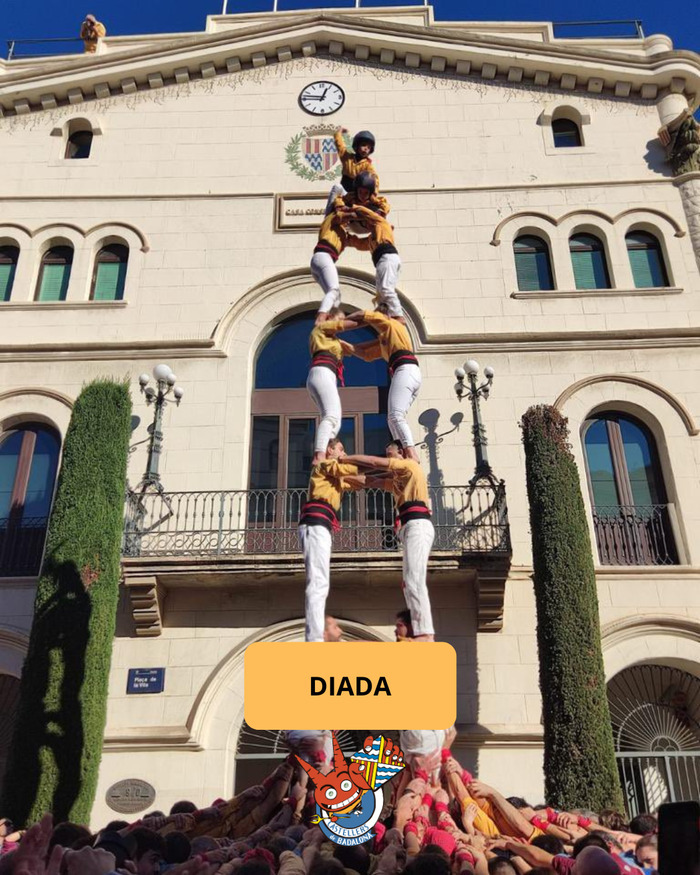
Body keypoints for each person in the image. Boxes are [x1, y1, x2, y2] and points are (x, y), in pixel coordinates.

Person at [342, 440, 434, 638]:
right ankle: (416, 628)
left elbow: (374, 463)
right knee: (407, 583)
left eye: (389, 455)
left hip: (417, 525)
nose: (387, 459)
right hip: (409, 528)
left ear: (401, 452)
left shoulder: (410, 466)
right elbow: (370, 481)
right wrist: (338, 476)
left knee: (414, 579)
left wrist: (344, 459)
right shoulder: (398, 481)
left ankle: (425, 633)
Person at [298, 438, 364, 641]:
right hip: (316, 522)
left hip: (322, 524)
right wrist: (359, 461)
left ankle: (316, 635)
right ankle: (315, 637)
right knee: (318, 582)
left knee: (321, 581)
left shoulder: (335, 476)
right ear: (329, 450)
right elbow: (347, 470)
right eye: (341, 449)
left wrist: (389, 472)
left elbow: (359, 481)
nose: (344, 453)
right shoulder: (324, 465)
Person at [349, 307, 420, 459]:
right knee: (392, 418)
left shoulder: (392, 324)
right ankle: (401, 452)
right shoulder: (387, 339)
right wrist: (341, 344)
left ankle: (411, 453)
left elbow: (363, 314)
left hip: (405, 369)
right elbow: (364, 353)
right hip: (407, 372)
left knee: (395, 416)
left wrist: (338, 324)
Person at [306, 309, 359, 465]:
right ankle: (319, 455)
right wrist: (373, 319)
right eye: (339, 319)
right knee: (331, 417)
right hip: (322, 372)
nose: (341, 323)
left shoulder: (334, 341)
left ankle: (329, 452)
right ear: (329, 318)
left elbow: (359, 351)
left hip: (324, 374)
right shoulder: (321, 328)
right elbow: (348, 325)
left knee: (335, 420)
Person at [344, 206, 403, 319]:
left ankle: (398, 315)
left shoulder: (381, 224)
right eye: (364, 224)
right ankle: (384, 314)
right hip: (382, 260)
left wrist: (353, 208)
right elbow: (358, 243)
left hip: (387, 257)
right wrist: (344, 237)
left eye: (366, 222)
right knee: (380, 292)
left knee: (386, 288)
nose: (367, 225)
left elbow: (369, 214)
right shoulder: (371, 239)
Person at [310, 214, 351, 321]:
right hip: (323, 257)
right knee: (334, 290)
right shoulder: (330, 221)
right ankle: (321, 317)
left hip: (321, 260)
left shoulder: (343, 233)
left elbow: (360, 243)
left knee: (336, 297)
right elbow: (339, 214)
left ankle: (332, 318)